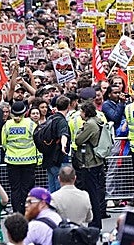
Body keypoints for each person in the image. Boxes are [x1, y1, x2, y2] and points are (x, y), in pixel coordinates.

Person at [1, 101, 38, 214]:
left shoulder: (7, 125)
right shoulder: (31, 124)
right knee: (27, 188)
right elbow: (37, 140)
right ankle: (27, 210)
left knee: (15, 189)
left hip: (12, 161)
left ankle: (17, 211)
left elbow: (3, 143)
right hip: (29, 160)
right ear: (25, 112)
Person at [74, 101, 105, 229]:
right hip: (95, 161)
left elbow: (78, 140)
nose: (80, 113)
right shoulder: (96, 121)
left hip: (90, 162)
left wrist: (80, 131)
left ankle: (95, 222)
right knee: (94, 192)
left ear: (86, 112)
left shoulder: (90, 125)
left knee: (92, 194)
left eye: (81, 111)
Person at [44, 95, 71, 193]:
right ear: (68, 107)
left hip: (49, 158)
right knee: (60, 187)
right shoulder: (62, 121)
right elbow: (63, 134)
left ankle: (51, 206)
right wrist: (64, 146)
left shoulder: (50, 118)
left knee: (51, 186)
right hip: (58, 158)